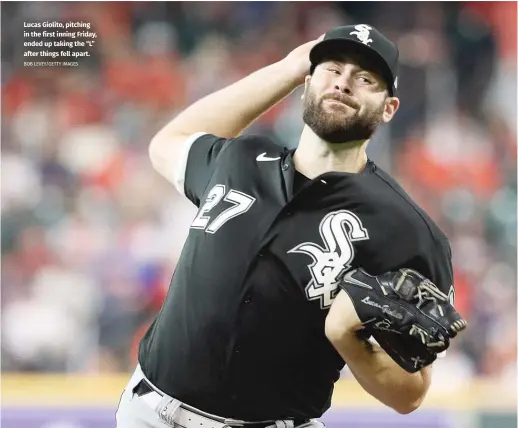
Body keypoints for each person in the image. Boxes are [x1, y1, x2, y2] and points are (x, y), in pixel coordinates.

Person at [116, 24, 459, 428]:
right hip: (149, 412)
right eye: (332, 69)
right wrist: (286, 69)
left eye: (365, 79)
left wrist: (349, 339)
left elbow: (411, 394)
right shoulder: (239, 159)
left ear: (389, 107)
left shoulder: (406, 231)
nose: (344, 84)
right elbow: (169, 142)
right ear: (307, 81)